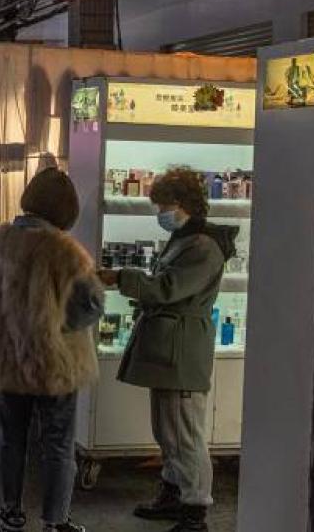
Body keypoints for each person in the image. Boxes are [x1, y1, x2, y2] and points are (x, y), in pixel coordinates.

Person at [98, 169, 236, 532]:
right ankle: (174, 493)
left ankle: (195, 510)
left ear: (184, 203)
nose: (160, 212)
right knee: (167, 429)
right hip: (171, 346)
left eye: (164, 205)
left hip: (182, 348)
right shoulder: (186, 238)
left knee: (184, 432)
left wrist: (120, 278)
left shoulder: (203, 246)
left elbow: (168, 288)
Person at [0, 168, 103, 532]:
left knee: (11, 439)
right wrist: (56, 326)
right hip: (56, 361)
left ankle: (10, 512)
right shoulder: (65, 249)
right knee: (58, 444)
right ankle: (55, 520)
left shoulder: (0, 240)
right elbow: (92, 303)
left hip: (9, 356)